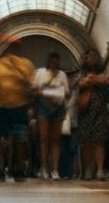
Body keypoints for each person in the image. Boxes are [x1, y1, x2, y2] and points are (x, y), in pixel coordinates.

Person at [0, 43, 34, 182]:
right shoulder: (0, 63)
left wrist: (16, 68)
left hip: (19, 106)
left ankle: (20, 170)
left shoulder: (26, 64)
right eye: (12, 46)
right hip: (0, 106)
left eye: (16, 46)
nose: (13, 49)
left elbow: (30, 84)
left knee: (20, 139)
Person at [77, 47, 109, 180]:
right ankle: (88, 169)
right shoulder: (81, 73)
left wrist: (91, 79)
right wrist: (94, 79)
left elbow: (105, 81)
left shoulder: (101, 73)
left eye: (93, 56)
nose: (91, 58)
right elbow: (80, 84)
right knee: (86, 142)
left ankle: (100, 170)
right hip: (85, 110)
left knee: (99, 140)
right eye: (89, 56)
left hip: (100, 110)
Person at [34, 51, 69, 180]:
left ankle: (55, 169)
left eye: (56, 61)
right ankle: (44, 167)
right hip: (43, 107)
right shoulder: (41, 73)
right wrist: (44, 94)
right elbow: (34, 90)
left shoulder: (62, 75)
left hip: (58, 108)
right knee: (44, 138)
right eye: (52, 60)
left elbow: (67, 93)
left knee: (55, 139)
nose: (54, 63)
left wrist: (60, 94)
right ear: (48, 61)